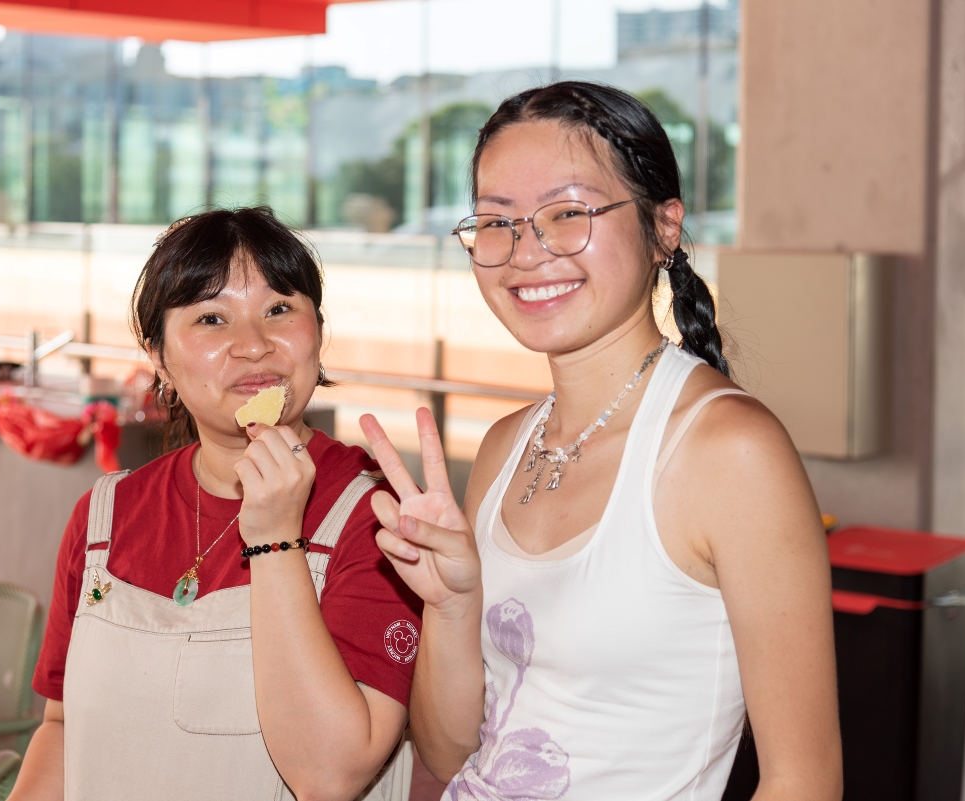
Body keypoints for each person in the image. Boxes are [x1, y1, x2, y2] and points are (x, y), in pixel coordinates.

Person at [360, 82, 843, 800]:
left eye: (567, 212)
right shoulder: (503, 446)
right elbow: (448, 747)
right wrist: (452, 605)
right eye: (498, 222)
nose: (527, 251)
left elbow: (804, 780)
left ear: (664, 227)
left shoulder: (726, 450)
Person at [9, 207, 422, 801]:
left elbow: (331, 776)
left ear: (319, 331)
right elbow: (63, 727)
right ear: (159, 358)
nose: (253, 346)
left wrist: (277, 537)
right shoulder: (106, 512)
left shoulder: (378, 514)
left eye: (279, 309)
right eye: (211, 318)